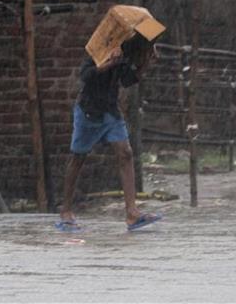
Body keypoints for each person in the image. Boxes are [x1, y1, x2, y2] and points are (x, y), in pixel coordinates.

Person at [56, 33, 161, 232]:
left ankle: (132, 212)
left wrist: (145, 62)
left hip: (111, 111)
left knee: (126, 153)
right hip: (89, 111)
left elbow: (128, 80)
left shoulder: (126, 50)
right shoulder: (98, 46)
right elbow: (86, 75)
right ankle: (66, 211)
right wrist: (107, 63)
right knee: (78, 158)